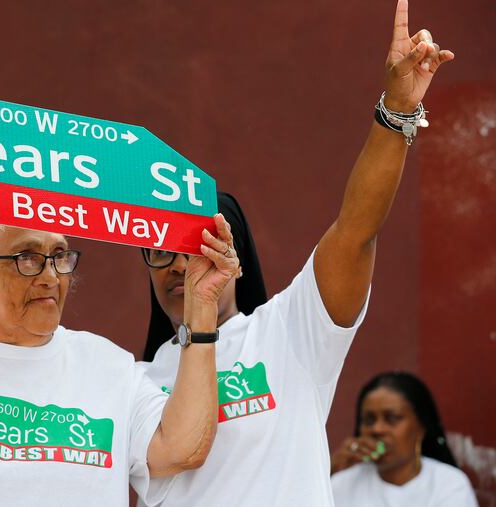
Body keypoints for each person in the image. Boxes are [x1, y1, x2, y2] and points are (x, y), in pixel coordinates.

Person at [135, 1, 455, 505]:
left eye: (201, 248)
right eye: (161, 251)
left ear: (235, 257)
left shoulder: (289, 334)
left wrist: (395, 113)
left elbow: (356, 232)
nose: (180, 264)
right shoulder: (134, 383)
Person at [0, 210, 239, 506]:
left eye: (59, 256)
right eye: (26, 258)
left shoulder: (110, 367)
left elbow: (181, 449)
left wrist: (202, 308)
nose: (49, 275)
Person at [331, 372, 477, 506]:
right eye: (369, 420)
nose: (377, 429)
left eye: (392, 418)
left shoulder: (449, 485)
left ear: (420, 427)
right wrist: (326, 471)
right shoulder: (340, 483)